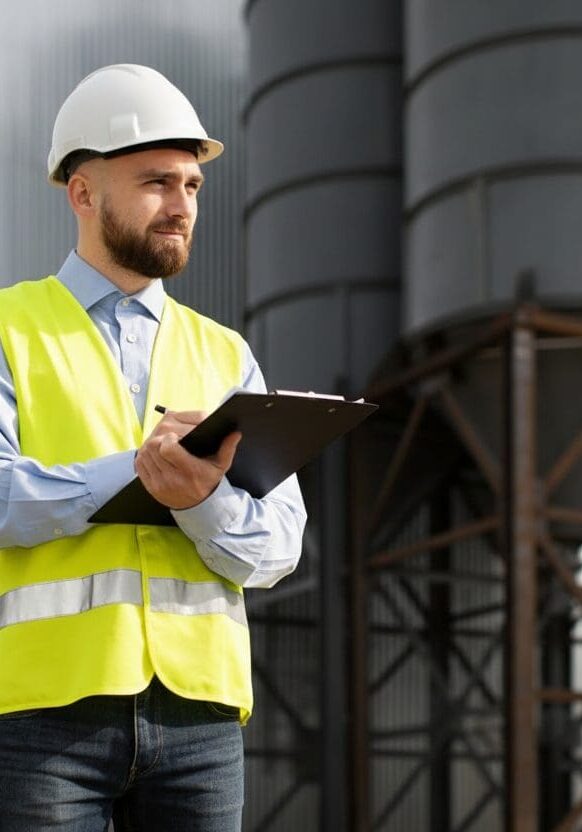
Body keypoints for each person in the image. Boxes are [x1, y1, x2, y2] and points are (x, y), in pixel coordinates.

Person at [0, 64, 306, 831]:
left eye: (193, 187)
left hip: (200, 721)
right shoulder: (10, 328)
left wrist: (200, 500)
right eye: (156, 184)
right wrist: (137, 474)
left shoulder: (227, 353)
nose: (181, 208)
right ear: (82, 193)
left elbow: (280, 549)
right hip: (42, 716)